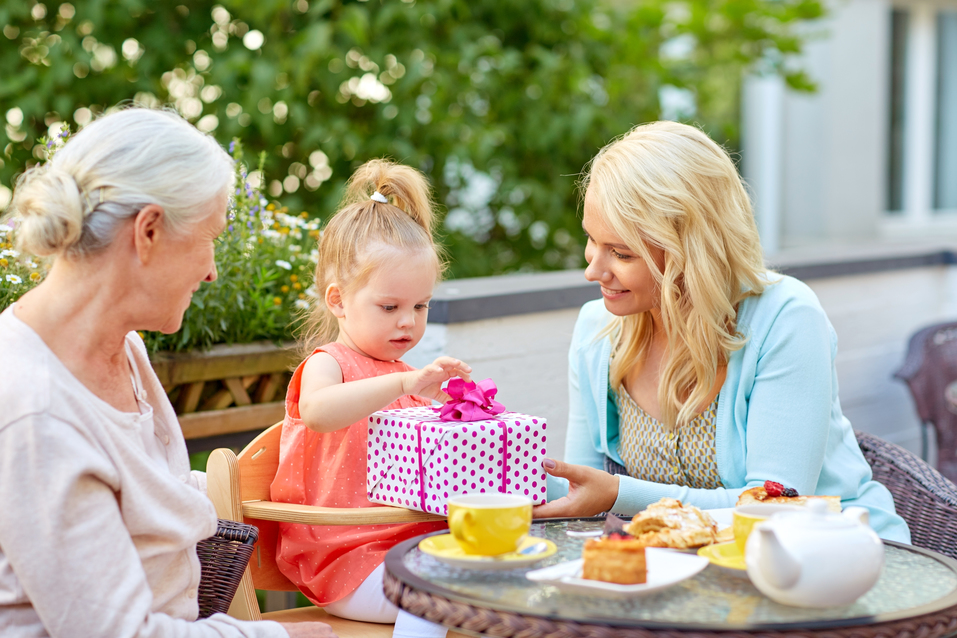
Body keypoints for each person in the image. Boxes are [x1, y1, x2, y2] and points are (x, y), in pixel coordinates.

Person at [0, 108, 335, 638]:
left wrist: (299, 488)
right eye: (210, 239)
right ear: (149, 231)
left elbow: (151, 498)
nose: (212, 270)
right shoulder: (35, 411)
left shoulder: (123, 348)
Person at [535, 121, 910, 542]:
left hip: (833, 561)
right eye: (591, 240)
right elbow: (579, 493)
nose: (593, 270)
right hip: (692, 570)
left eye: (621, 253)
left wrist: (619, 495)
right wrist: (464, 436)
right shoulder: (598, 331)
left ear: (691, 248)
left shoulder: (786, 319)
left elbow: (775, 508)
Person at [270, 159, 471, 638]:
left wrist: (459, 410)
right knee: (437, 593)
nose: (408, 321)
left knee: (501, 571)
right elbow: (319, 413)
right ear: (338, 300)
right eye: (390, 307)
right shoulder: (329, 363)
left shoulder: (403, 375)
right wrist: (404, 386)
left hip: (407, 550)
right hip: (346, 560)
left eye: (420, 306)